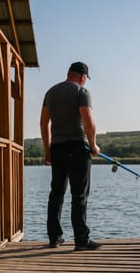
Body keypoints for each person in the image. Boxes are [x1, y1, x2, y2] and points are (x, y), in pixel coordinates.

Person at [40, 61, 102, 251]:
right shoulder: (81, 92)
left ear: (69, 73)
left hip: (57, 149)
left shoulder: (51, 92)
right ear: (83, 76)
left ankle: (54, 238)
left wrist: (47, 150)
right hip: (77, 148)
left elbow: (44, 124)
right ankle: (81, 241)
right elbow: (88, 119)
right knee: (79, 195)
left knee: (56, 193)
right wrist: (93, 145)